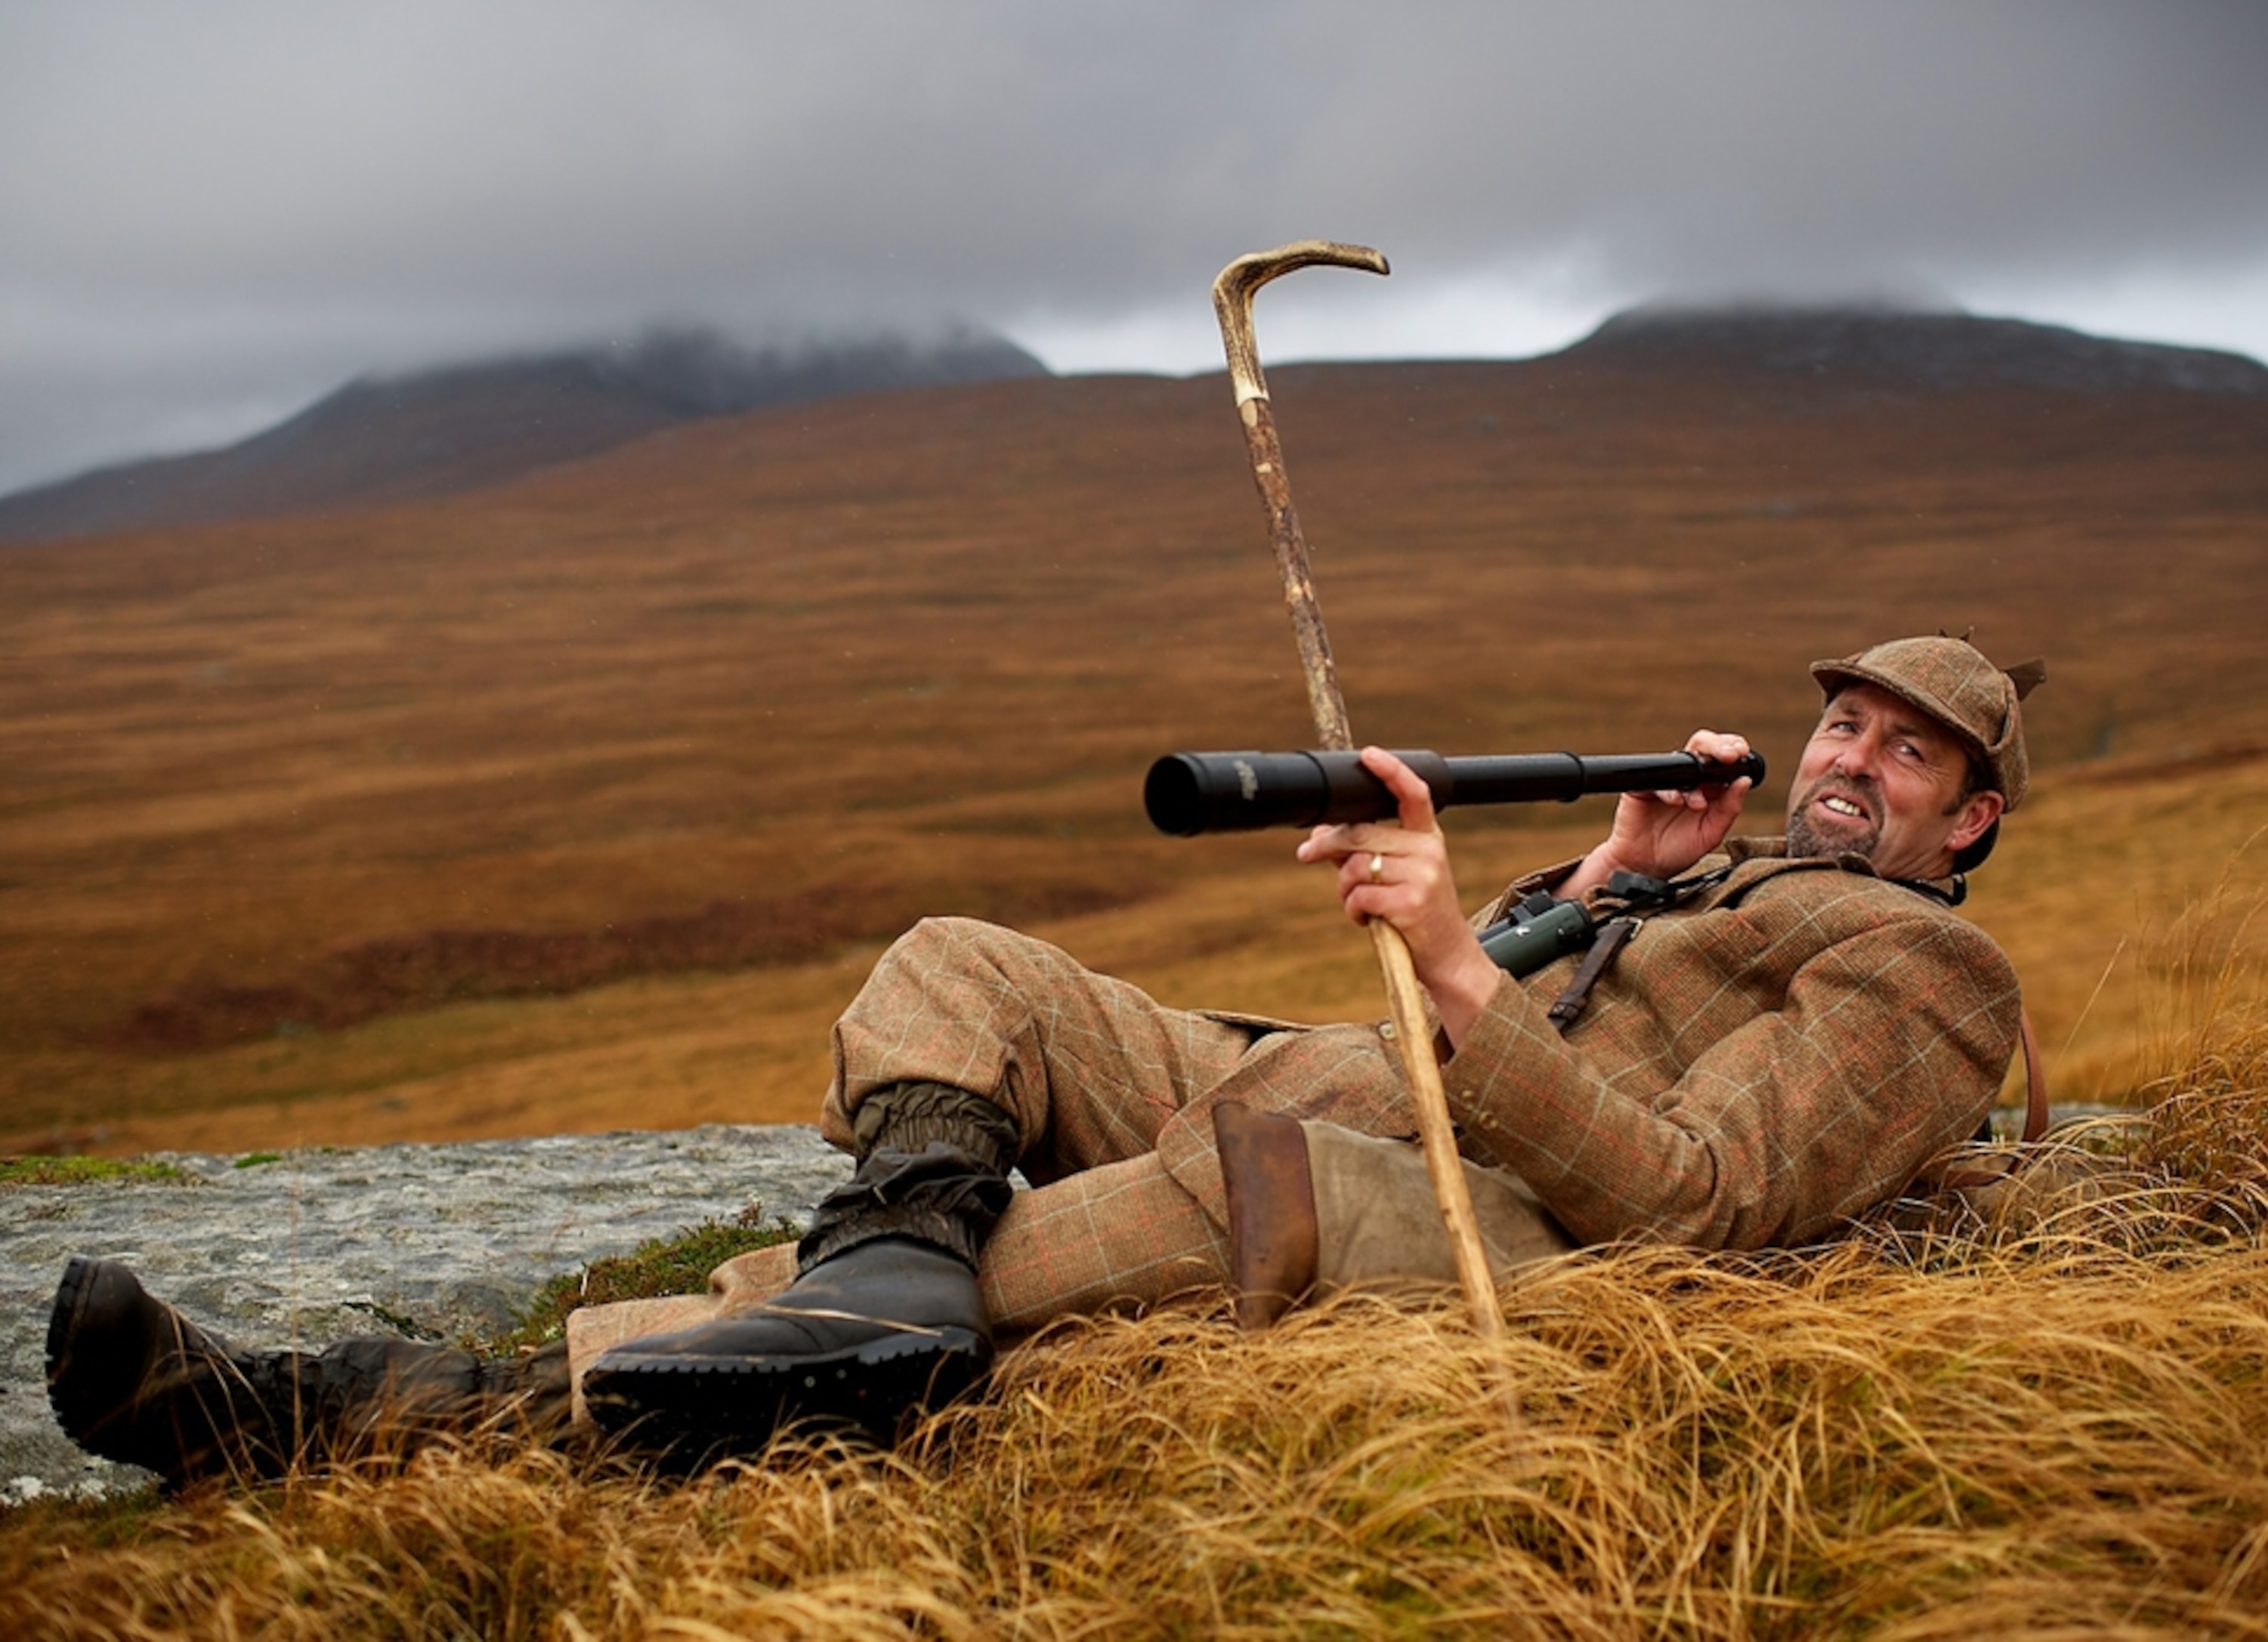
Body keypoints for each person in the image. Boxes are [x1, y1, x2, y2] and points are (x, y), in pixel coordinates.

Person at [48, 633, 2041, 1482]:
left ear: (1969, 826)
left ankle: (335, 1414)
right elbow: (1511, 998)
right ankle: (896, 1268)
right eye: (1847, 729)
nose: (1860, 761)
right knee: (969, 965)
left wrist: (1447, 945)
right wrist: (1594, 884)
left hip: (1471, 1222)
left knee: (1115, 1213)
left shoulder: (1932, 982)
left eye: (1915, 752)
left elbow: (1693, 1203)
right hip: (1325, 1083)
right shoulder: (1704, 886)